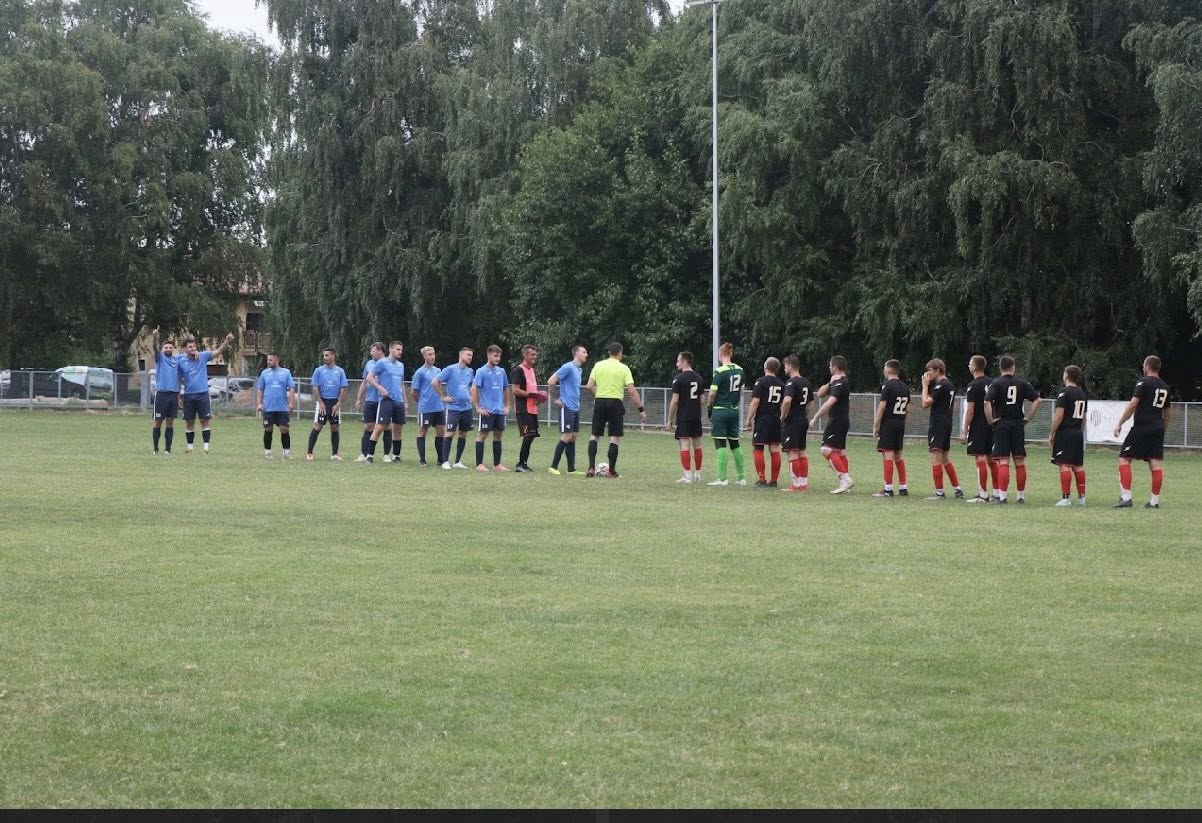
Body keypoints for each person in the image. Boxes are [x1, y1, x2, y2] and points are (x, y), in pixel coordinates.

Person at [1113, 355, 1171, 509]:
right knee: (1155, 463)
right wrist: (1162, 428)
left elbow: (1133, 404)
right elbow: (1168, 413)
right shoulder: (1165, 386)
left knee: (1124, 458)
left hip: (1142, 425)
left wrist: (1120, 423)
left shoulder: (1143, 382)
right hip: (1158, 427)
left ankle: (1126, 498)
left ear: (1147, 366)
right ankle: (1154, 501)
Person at [984, 355, 1041, 504]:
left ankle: (1002, 497)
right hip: (1017, 424)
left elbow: (986, 402)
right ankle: (1020, 497)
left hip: (1002, 424)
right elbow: (1037, 400)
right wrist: (1028, 417)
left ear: (1000, 367)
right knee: (1019, 461)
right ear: (1013, 367)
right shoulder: (1022, 383)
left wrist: (990, 420)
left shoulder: (996, 383)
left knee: (1003, 461)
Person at [585, 342, 647, 479]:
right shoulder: (624, 368)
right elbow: (631, 391)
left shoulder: (598, 365)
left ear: (609, 353)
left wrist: (600, 394)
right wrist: (641, 409)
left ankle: (590, 467)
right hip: (615, 403)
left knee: (595, 435)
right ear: (620, 353)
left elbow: (589, 386)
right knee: (614, 437)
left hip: (600, 402)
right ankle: (611, 471)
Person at [178, 332, 236, 454]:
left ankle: (206, 448)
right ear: (185, 349)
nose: (193, 348)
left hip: (203, 394)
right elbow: (178, 379)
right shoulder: (181, 361)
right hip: (188, 395)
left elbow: (218, 352)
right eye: (190, 347)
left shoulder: (203, 356)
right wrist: (178, 395)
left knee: (205, 420)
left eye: (194, 346)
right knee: (189, 421)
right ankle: (190, 448)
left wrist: (226, 341)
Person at [810, 355, 854, 494]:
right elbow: (820, 394)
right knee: (839, 452)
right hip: (841, 421)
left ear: (835, 367)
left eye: (830, 366)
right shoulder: (835, 382)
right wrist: (829, 383)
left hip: (837, 421)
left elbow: (830, 402)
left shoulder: (841, 383)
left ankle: (845, 480)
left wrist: (816, 417)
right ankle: (845, 483)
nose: (829, 368)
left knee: (826, 449)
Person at [921, 359, 962, 500]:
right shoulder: (949, 384)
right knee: (945, 457)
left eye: (930, 370)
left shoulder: (941, 385)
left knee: (935, 456)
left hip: (938, 424)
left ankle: (939, 492)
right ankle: (957, 489)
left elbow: (925, 403)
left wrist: (925, 386)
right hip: (946, 423)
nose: (928, 374)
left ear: (938, 370)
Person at [706, 342, 746, 487]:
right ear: (731, 354)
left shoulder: (719, 371)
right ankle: (741, 478)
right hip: (734, 411)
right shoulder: (740, 370)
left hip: (720, 410)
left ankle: (722, 479)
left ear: (720, 354)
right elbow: (741, 391)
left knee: (720, 442)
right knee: (735, 443)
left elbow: (712, 393)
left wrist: (709, 407)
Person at [1049, 365, 1088, 507]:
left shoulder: (1064, 393)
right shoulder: (1082, 394)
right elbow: (1084, 418)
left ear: (1066, 375)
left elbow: (1059, 416)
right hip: (1078, 433)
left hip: (1065, 433)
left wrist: (1052, 432)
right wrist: (1080, 432)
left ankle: (1066, 498)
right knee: (1078, 466)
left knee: (1064, 465)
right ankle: (1082, 498)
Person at [871, 359, 911, 498]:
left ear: (888, 370)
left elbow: (882, 406)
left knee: (887, 454)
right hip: (900, 422)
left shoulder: (887, 385)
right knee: (898, 455)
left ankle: (888, 489)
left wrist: (876, 425)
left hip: (889, 422)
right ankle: (903, 487)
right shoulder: (905, 387)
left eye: (884, 368)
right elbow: (907, 409)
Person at [962, 355, 998, 503]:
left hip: (978, 425)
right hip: (993, 424)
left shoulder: (973, 385)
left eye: (970, 363)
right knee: (991, 459)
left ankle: (982, 494)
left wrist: (964, 430)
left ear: (975, 366)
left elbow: (970, 410)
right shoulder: (993, 383)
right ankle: (997, 494)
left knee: (981, 458)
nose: (969, 366)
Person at [547, 345, 588, 475]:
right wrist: (555, 399)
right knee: (566, 436)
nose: (586, 354)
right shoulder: (568, 367)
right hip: (567, 407)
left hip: (575, 408)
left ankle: (571, 469)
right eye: (584, 352)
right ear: (576, 354)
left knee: (573, 437)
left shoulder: (579, 370)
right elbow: (551, 381)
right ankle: (553, 467)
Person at [364, 341, 406, 464]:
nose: (400, 352)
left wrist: (405, 401)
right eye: (398, 349)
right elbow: (369, 378)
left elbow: (401, 384)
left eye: (401, 350)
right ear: (391, 350)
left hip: (398, 401)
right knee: (379, 427)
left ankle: (396, 456)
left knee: (398, 428)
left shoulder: (401, 365)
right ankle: (369, 455)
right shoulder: (382, 363)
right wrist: (380, 388)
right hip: (386, 400)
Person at [433, 346, 475, 469]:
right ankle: (445, 462)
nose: (470, 357)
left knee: (463, 433)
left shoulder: (470, 371)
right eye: (468, 355)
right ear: (461, 355)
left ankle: (457, 461)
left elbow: (473, 387)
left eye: (471, 355)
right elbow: (435, 382)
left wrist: (472, 397)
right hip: (453, 408)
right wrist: (443, 397)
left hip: (466, 408)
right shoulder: (450, 369)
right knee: (450, 433)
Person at [666, 351, 705, 483]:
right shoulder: (699, 378)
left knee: (684, 444)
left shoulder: (679, 379)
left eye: (678, 361)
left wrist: (669, 419)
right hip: (696, 416)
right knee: (698, 445)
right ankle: (698, 473)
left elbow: (675, 401)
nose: (676, 363)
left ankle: (687, 475)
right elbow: (702, 400)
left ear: (684, 362)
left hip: (684, 416)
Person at [746, 357, 784, 488]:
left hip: (763, 419)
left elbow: (756, 401)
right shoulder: (781, 384)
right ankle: (773, 481)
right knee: (774, 449)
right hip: (776, 419)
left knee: (758, 447)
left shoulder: (760, 381)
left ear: (765, 367)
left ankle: (762, 479)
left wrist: (749, 418)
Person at [471, 344, 511, 471]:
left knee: (498, 436)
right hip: (487, 411)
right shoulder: (481, 371)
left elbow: (506, 388)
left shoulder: (502, 371)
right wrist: (477, 407)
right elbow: (474, 389)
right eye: (495, 356)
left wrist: (507, 405)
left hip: (499, 411)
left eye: (499, 356)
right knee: (482, 435)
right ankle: (479, 465)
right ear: (489, 355)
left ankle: (497, 464)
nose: (498, 358)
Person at [779, 355, 815, 492]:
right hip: (802, 420)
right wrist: (805, 415)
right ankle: (803, 484)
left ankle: (795, 484)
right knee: (801, 452)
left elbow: (787, 400)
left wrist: (783, 415)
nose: (784, 368)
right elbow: (811, 402)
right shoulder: (806, 382)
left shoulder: (791, 383)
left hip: (792, 421)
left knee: (792, 452)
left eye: (785, 366)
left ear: (789, 366)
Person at [510, 344, 547, 473]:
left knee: (531, 436)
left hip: (532, 409)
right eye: (532, 355)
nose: (534, 357)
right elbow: (515, 390)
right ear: (525, 355)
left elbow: (532, 389)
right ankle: (520, 464)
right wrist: (532, 395)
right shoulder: (518, 370)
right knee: (528, 435)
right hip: (522, 409)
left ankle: (523, 463)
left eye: (535, 355)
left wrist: (538, 398)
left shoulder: (532, 370)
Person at [307, 348, 348, 461]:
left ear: (333, 356)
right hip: (323, 402)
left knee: (335, 427)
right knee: (318, 426)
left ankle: (334, 454)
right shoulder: (318, 370)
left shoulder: (340, 371)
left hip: (334, 402)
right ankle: (309, 453)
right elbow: (315, 387)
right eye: (324, 355)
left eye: (327, 355)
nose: (325, 358)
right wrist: (320, 402)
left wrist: (338, 403)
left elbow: (343, 388)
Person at [411, 346, 446, 468]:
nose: (432, 356)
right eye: (429, 354)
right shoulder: (420, 372)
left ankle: (441, 460)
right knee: (423, 431)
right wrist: (421, 403)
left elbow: (439, 386)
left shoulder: (438, 371)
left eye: (433, 353)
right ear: (424, 356)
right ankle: (422, 460)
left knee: (441, 431)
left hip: (439, 407)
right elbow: (414, 392)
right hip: (426, 408)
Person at [149, 326, 182, 455]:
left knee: (170, 422)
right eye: (166, 347)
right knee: (158, 422)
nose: (168, 349)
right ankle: (155, 449)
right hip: (161, 394)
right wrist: (155, 337)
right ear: (163, 350)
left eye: (170, 347)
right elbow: (154, 347)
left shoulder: (177, 360)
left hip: (173, 395)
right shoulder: (160, 358)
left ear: (173, 349)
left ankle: (168, 450)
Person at [257, 353, 297, 459]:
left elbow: (292, 388)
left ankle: (286, 453)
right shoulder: (264, 373)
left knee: (284, 429)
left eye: (270, 360)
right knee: (268, 429)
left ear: (277, 360)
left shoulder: (286, 372)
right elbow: (260, 389)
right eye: (267, 360)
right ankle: (268, 452)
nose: (268, 362)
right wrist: (260, 403)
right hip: (268, 408)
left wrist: (292, 403)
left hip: (282, 408)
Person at [354, 343, 389, 462]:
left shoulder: (389, 363)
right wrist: (359, 398)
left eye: (373, 351)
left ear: (380, 351)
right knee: (368, 426)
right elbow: (364, 382)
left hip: (384, 400)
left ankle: (386, 455)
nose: (371, 353)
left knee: (387, 426)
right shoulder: (369, 363)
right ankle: (364, 454)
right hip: (370, 400)